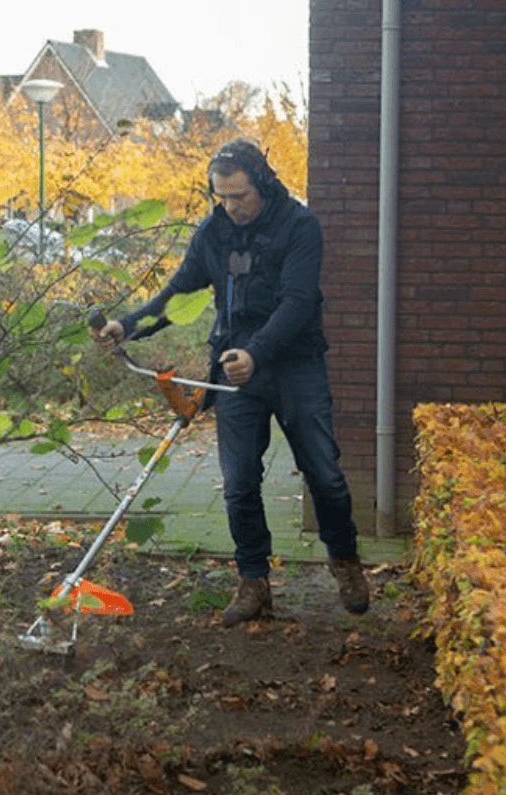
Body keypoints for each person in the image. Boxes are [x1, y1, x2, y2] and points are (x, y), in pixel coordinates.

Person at [92, 138, 369, 625]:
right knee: (239, 483)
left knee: (323, 474)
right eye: (221, 197)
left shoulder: (298, 225)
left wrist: (257, 353)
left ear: (262, 183)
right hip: (234, 367)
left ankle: (344, 560)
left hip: (294, 365)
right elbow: (180, 292)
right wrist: (128, 325)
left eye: (239, 196)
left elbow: (298, 302)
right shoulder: (214, 231)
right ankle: (253, 582)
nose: (231, 207)